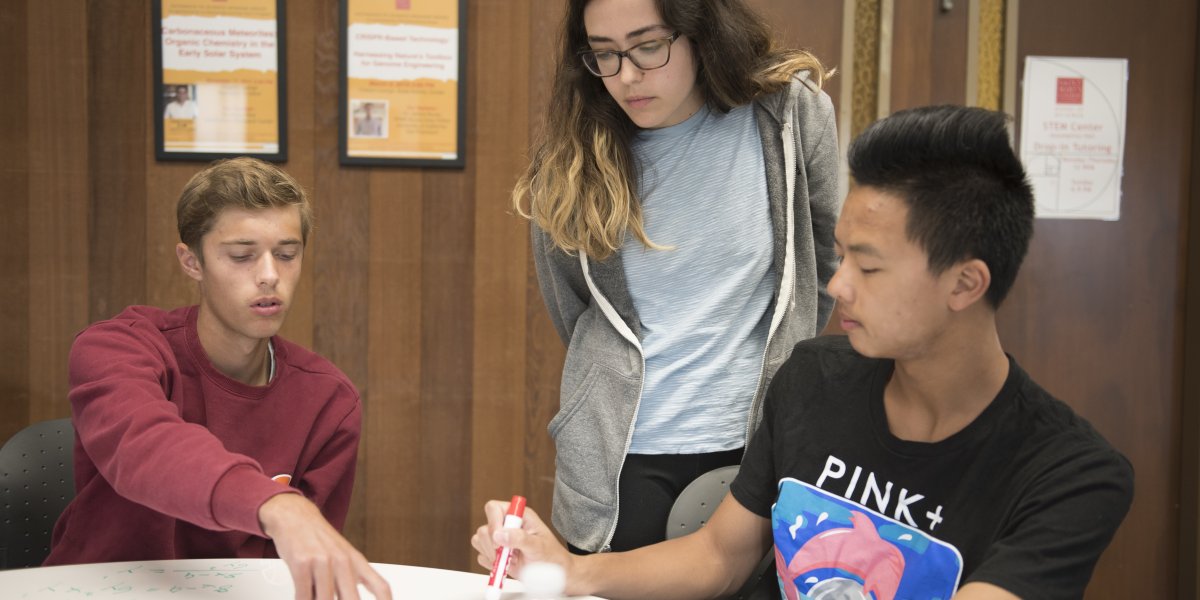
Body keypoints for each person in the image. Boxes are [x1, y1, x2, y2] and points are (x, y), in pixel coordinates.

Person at [474, 105, 1134, 599]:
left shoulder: (1070, 476)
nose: (837, 284)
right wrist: (566, 570)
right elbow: (719, 555)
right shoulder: (815, 380)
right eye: (840, 254)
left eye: (868, 268)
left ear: (966, 283)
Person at [514, 0, 840, 554]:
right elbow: (575, 309)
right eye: (604, 55)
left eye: (647, 46)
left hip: (754, 445)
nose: (628, 76)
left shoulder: (789, 116)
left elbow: (820, 264)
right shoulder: (571, 157)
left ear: (701, 32)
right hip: (617, 462)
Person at [46, 157, 392, 600]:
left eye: (287, 254)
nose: (270, 275)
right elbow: (147, 444)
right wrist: (275, 503)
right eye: (242, 256)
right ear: (192, 262)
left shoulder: (329, 400)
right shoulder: (115, 348)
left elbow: (296, 570)